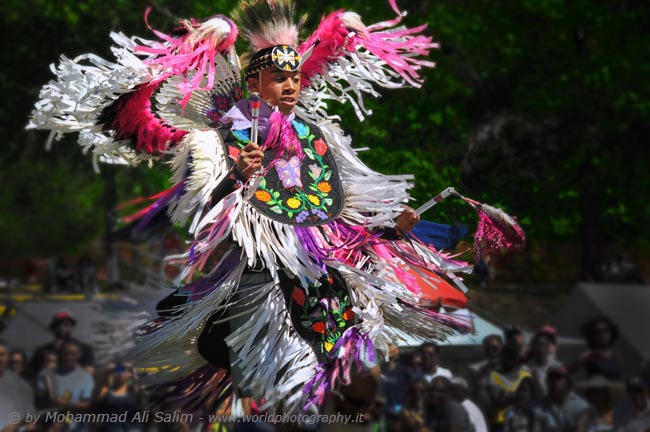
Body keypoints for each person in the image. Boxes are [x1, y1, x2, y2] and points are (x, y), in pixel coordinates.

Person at [28, 0, 524, 414]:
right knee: (271, 381)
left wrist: (393, 226)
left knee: (360, 376)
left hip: (327, 266)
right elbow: (201, 211)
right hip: (261, 266)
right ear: (256, 81)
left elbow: (341, 210)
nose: (290, 85)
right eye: (277, 77)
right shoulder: (219, 134)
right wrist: (239, 176)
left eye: (294, 77)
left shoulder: (315, 135)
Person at [30, 310, 95, 375]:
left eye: (66, 324)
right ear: (52, 328)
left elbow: (89, 374)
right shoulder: (41, 351)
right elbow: (31, 375)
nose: (62, 327)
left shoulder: (85, 349)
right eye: (57, 324)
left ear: (72, 327)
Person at [486, 343, 533, 432]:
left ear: (517, 356)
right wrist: (519, 395)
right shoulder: (494, 376)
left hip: (523, 422)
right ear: (502, 356)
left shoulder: (526, 374)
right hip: (501, 424)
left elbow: (532, 399)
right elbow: (496, 400)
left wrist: (507, 394)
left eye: (512, 354)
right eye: (507, 354)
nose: (510, 357)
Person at [534, 365, 593, 432]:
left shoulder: (581, 406)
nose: (555, 381)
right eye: (552, 378)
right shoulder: (538, 407)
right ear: (547, 381)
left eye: (559, 377)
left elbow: (581, 428)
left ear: (567, 381)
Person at [0, 340, 34, 431]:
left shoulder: (23, 387)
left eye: (2, 355)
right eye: (13, 363)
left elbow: (30, 419)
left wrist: (14, 426)